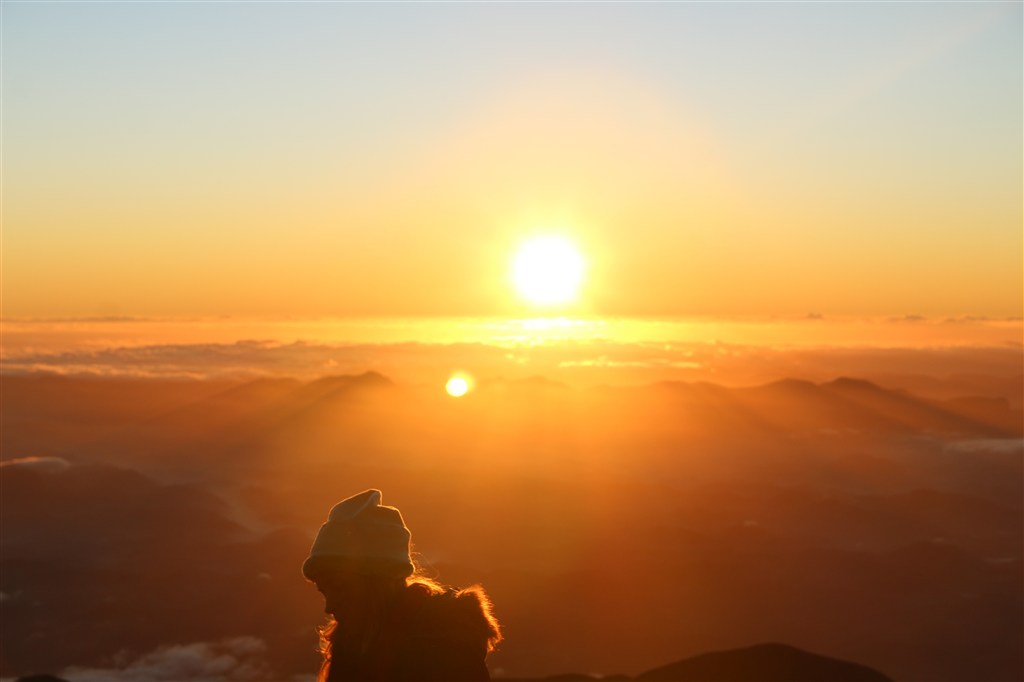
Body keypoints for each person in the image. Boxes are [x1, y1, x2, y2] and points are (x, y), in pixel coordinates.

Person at [302, 489, 502, 681]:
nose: (330, 606)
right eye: (324, 591)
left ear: (378, 581)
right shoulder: (351, 644)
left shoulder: (444, 647)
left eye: (340, 588)